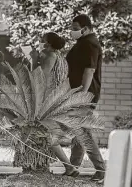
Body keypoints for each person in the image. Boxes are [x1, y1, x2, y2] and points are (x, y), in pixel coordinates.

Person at [66, 14, 106, 183]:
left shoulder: (89, 44)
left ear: (86, 28)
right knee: (79, 130)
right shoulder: (83, 43)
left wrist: (82, 93)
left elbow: (89, 70)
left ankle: (100, 169)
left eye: (76, 28)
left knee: (83, 132)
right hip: (80, 93)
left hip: (85, 95)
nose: (72, 31)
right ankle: (73, 167)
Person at [34, 32, 80, 177]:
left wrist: (34, 60)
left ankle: (70, 167)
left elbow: (44, 78)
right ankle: (70, 166)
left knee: (49, 136)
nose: (41, 42)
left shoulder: (50, 56)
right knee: (51, 134)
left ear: (49, 44)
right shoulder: (61, 58)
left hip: (49, 99)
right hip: (59, 97)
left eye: (43, 40)